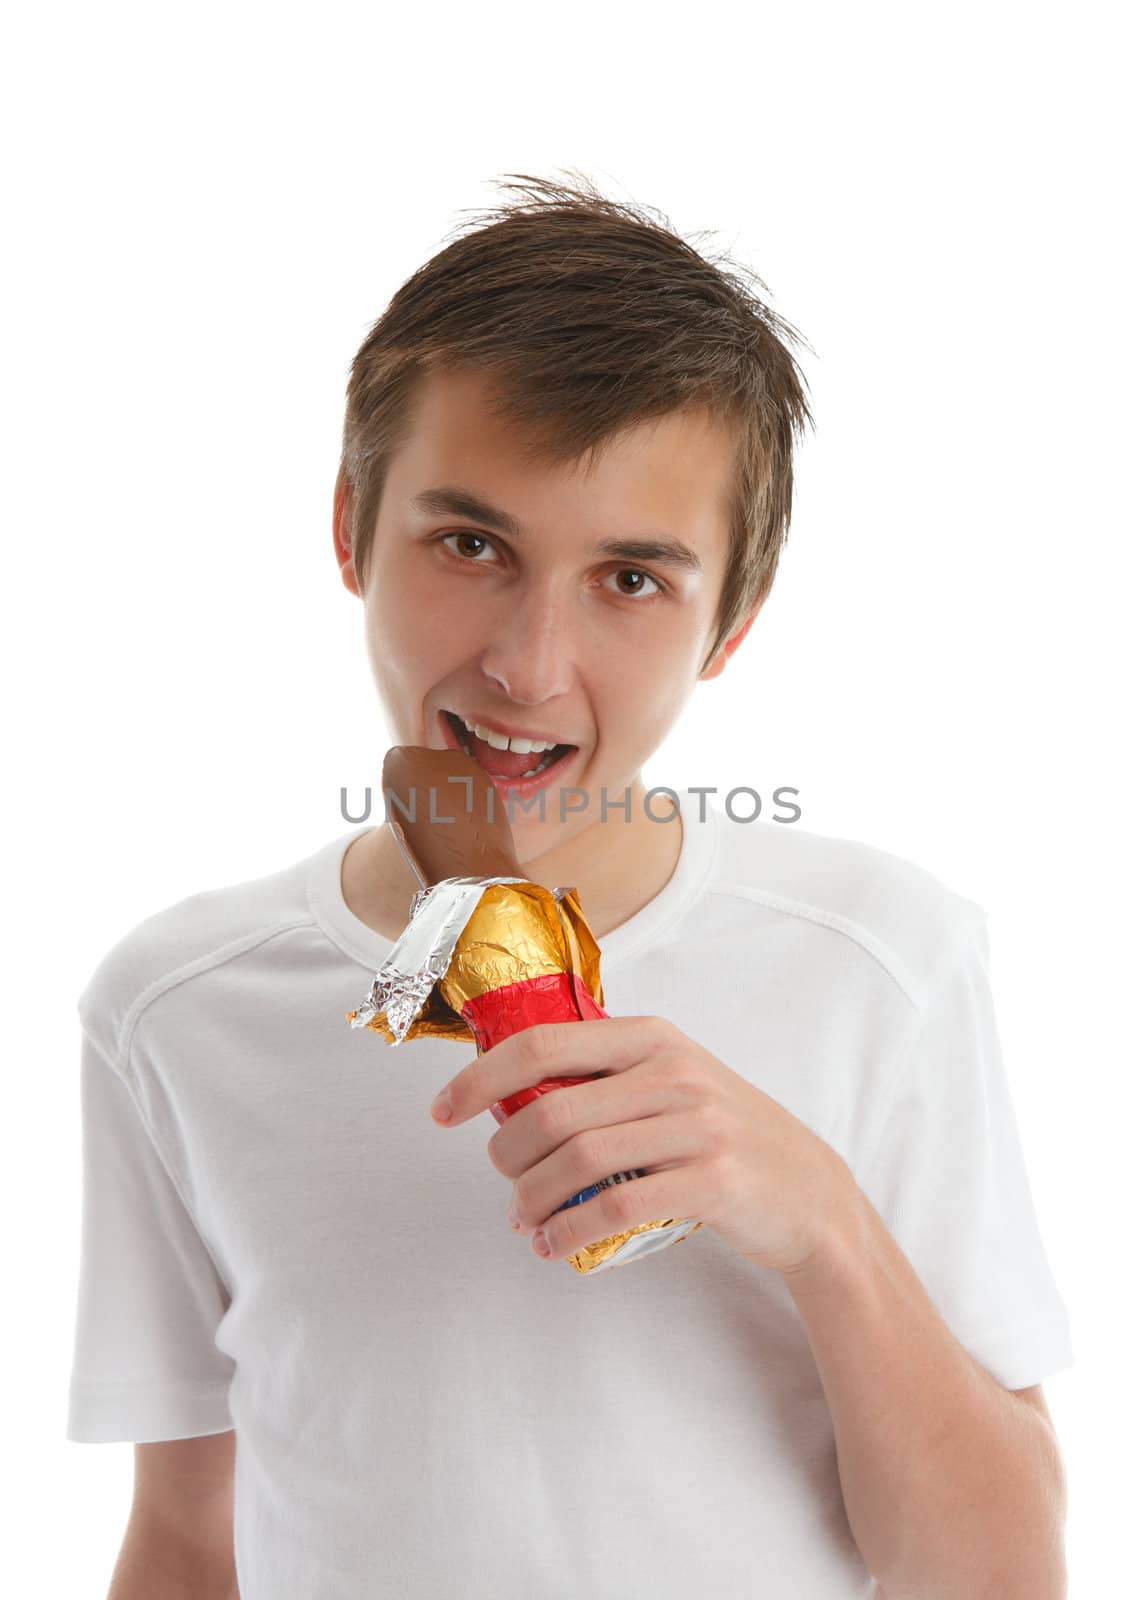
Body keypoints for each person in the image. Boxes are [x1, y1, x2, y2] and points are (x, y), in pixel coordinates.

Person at [66, 172, 1072, 1599]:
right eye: (470, 545)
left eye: (631, 578)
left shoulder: (879, 962)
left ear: (730, 619)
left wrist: (819, 1219)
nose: (528, 668)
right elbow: (182, 1541)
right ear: (351, 529)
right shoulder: (174, 1007)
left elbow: (1002, 1575)